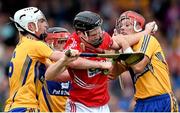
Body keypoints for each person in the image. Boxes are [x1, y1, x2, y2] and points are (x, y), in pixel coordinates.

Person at [45, 11, 157, 112]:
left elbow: (117, 42)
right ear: (81, 34)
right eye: (94, 33)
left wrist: (145, 32)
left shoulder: (102, 37)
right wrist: (100, 64)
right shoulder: (73, 43)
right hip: (80, 106)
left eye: (99, 30)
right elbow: (73, 62)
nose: (99, 35)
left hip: (103, 105)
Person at [4, 7, 77, 112]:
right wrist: (88, 59)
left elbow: (57, 71)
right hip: (27, 106)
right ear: (30, 26)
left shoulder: (23, 46)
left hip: (15, 107)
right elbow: (62, 57)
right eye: (41, 21)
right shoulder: (35, 45)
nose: (46, 25)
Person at [114, 10, 179, 112]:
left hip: (161, 100)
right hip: (141, 103)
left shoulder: (148, 39)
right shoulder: (126, 49)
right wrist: (115, 51)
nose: (122, 28)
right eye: (120, 26)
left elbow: (138, 67)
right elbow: (112, 74)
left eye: (127, 25)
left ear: (138, 27)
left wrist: (123, 43)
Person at [38, 27, 71, 112]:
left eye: (66, 42)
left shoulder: (72, 62)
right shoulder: (42, 60)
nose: (64, 45)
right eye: (60, 42)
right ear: (49, 43)